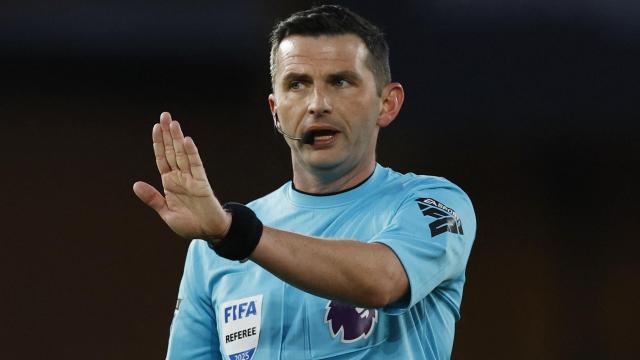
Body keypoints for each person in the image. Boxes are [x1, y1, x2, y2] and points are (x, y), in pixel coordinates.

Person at [133, 5, 476, 360]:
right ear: (275, 110)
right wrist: (227, 234)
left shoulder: (434, 204)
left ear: (387, 104)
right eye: (297, 84)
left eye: (340, 81)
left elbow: (382, 281)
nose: (317, 104)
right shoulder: (212, 248)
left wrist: (237, 234)